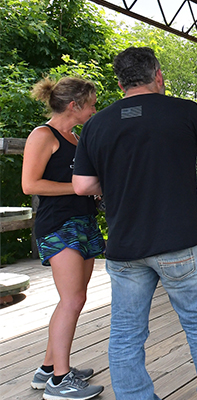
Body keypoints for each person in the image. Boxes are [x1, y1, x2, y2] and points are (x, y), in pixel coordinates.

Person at [72, 47, 197, 400]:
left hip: (125, 248)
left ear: (119, 83)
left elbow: (82, 185)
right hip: (179, 243)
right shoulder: (183, 110)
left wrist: (117, 180)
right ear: (158, 75)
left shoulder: (97, 124)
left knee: (126, 333)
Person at [22, 76, 105, 400]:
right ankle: (59, 381)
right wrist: (79, 188)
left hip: (82, 221)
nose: (95, 108)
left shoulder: (75, 137)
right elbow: (30, 185)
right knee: (71, 300)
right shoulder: (44, 135)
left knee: (76, 298)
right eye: (93, 103)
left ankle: (47, 369)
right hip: (58, 225)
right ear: (75, 105)